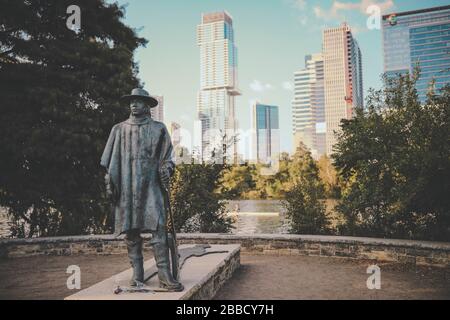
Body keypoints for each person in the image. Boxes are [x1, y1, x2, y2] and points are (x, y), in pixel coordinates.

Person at [100, 88, 183, 292]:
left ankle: (164, 274)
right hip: (127, 187)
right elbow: (109, 164)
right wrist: (110, 182)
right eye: (131, 101)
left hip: (151, 186)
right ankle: (137, 273)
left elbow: (168, 158)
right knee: (131, 232)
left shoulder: (159, 129)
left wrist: (167, 169)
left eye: (138, 101)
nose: (133, 105)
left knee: (159, 228)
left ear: (147, 105)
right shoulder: (118, 129)